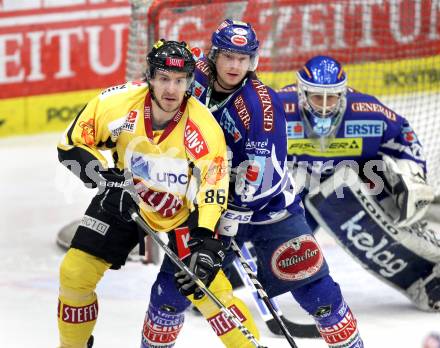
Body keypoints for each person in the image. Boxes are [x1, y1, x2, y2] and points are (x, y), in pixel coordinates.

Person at [56, 39, 259, 348]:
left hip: (183, 212)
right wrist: (105, 180)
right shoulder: (118, 103)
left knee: (208, 290)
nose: (171, 89)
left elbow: (214, 184)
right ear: (149, 76)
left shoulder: (203, 126)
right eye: (163, 78)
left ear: (190, 82)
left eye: (179, 81)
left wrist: (205, 237)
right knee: (74, 273)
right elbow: (71, 144)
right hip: (125, 196)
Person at [181, 18, 363, 347]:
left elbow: (263, 177)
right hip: (211, 202)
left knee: (319, 295)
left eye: (243, 58)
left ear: (253, 59)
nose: (235, 65)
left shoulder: (261, 105)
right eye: (228, 56)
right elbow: (154, 87)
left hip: (269, 210)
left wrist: (230, 214)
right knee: (177, 290)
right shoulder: (193, 72)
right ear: (213, 55)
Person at [277, 55, 440, 312]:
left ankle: (430, 271)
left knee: (397, 220)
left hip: (358, 181)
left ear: (342, 95)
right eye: (317, 97)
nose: (324, 107)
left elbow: (404, 135)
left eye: (331, 97)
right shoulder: (277, 108)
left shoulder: (368, 112)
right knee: (275, 258)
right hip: (299, 189)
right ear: (302, 93)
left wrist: (414, 174)